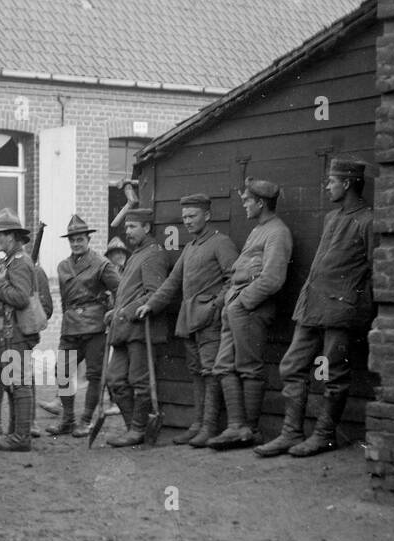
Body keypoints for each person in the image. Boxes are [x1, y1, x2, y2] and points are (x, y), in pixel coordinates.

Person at [256, 157, 375, 458]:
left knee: (334, 374)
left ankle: (324, 435)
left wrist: (360, 308)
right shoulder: (332, 218)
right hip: (311, 305)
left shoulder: (367, 221)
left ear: (347, 183)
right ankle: (291, 433)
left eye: (332, 181)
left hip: (340, 310)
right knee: (291, 366)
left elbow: (375, 270)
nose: (327, 187)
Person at [136, 193, 240, 447]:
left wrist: (216, 305)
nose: (188, 222)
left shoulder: (221, 243)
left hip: (211, 321)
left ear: (207, 215)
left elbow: (235, 278)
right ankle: (197, 424)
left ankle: (209, 427)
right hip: (189, 321)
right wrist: (150, 304)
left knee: (211, 372)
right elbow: (172, 283)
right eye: (184, 218)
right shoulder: (191, 248)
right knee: (196, 372)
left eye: (192, 216)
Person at [206, 178, 293, 449]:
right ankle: (236, 427)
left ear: (261, 203)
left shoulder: (277, 232)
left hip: (251, 308)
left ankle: (250, 430)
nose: (244, 204)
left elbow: (273, 278)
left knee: (249, 366)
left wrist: (243, 302)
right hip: (236, 306)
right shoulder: (258, 230)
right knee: (223, 365)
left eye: (247, 200)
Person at [104, 208, 172, 447]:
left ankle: (137, 430)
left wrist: (128, 310)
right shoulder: (136, 255)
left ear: (147, 228)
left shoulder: (153, 255)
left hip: (141, 329)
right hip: (123, 329)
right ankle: (132, 427)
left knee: (139, 380)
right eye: (127, 227)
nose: (128, 231)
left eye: (133, 227)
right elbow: (131, 291)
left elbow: (155, 294)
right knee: (114, 379)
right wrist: (116, 310)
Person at [48, 215, 120, 436]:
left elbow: (120, 289)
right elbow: (64, 299)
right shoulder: (63, 266)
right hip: (70, 327)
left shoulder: (101, 264)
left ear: (88, 239)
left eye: (80, 239)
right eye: (72, 240)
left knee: (95, 374)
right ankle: (67, 419)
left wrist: (113, 311)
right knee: (62, 371)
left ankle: (87, 420)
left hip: (95, 327)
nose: (76, 243)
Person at [0, 208, 41, 451]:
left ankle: (21, 437)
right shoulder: (3, 262)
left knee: (18, 383)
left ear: (13, 236)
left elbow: (21, 298)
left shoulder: (21, 262)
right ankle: (15, 433)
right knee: (11, 383)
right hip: (2, 331)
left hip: (15, 332)